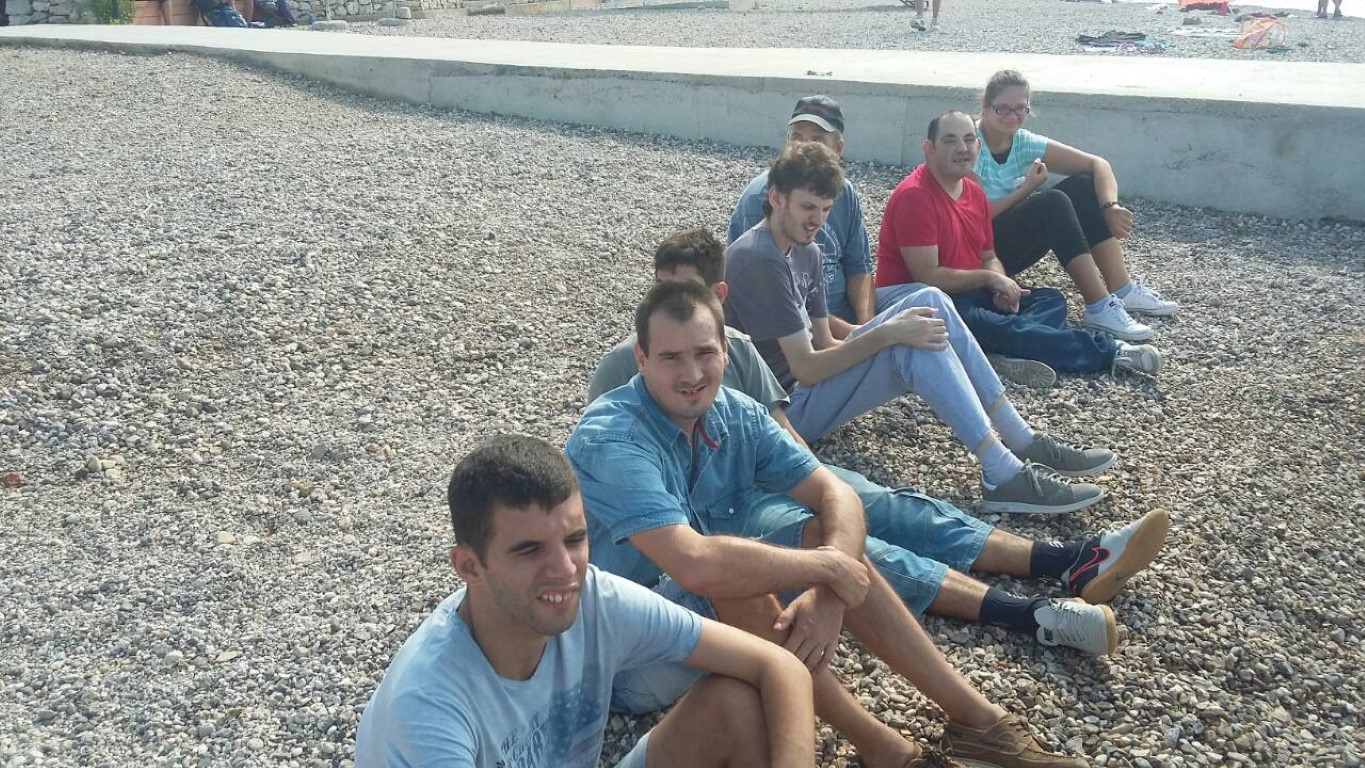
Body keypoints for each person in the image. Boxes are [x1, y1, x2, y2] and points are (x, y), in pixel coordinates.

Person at [569, 282, 1093, 768]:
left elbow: (834, 492)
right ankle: (885, 750)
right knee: (732, 576)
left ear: (726, 351)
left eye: (704, 353)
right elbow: (694, 565)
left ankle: (978, 722)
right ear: (642, 359)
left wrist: (829, 586)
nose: (691, 374)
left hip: (705, 627)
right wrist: (829, 570)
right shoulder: (613, 437)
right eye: (670, 358)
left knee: (824, 537)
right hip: (624, 664)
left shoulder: (733, 412)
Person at [588, 227, 1170, 656]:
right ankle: (1030, 613)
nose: (678, 313)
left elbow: (784, 435)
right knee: (864, 552)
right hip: (708, 517)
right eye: (664, 296)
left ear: (718, 297)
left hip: (763, 478)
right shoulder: (623, 375)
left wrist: (824, 490)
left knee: (885, 505)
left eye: (691, 298)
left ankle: (1066, 559)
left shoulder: (734, 349)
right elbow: (642, 500)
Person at [355, 434, 816, 767]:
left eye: (575, 539)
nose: (566, 569)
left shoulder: (595, 600)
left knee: (737, 702)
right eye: (529, 550)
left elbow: (778, 666)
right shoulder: (429, 706)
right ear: (470, 566)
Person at [728, 141, 1113, 515]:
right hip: (779, 413)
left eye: (826, 209)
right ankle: (1002, 473)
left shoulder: (806, 250)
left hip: (805, 390)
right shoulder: (759, 258)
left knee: (929, 301)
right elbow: (806, 368)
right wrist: (889, 333)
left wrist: (892, 327)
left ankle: (1020, 436)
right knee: (907, 344)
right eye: (807, 207)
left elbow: (826, 340)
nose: (817, 220)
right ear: (776, 198)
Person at [731, 94, 1054, 389]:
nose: (804, 148)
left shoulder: (843, 194)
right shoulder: (769, 202)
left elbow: (859, 269)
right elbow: (794, 318)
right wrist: (874, 337)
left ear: (838, 148)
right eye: (796, 138)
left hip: (844, 321)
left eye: (816, 139)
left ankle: (982, 361)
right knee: (929, 324)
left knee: (936, 303)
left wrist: (868, 324)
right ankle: (983, 361)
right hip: (801, 341)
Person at [876, 109, 1164, 380]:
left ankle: (994, 348)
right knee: (999, 326)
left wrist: (1001, 286)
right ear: (930, 149)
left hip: (969, 291)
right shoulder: (916, 196)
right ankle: (1109, 352)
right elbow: (928, 277)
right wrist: (989, 279)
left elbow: (989, 255)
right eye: (950, 141)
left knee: (1050, 300)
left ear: (978, 146)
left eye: (969, 140)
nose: (962, 148)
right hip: (925, 302)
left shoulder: (973, 192)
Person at [972, 70, 1179, 343]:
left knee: (1082, 185)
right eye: (1003, 109)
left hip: (1001, 242)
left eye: (1021, 108)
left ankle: (1122, 288)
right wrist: (1026, 189)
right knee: (1052, 203)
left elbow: (1098, 164)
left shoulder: (1020, 140)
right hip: (978, 253)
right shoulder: (970, 144)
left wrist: (1110, 207)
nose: (1013, 116)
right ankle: (1098, 306)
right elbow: (975, 217)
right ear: (986, 108)